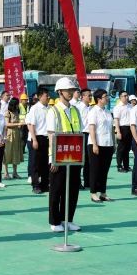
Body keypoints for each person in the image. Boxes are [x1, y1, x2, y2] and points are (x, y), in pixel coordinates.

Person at [46, 78, 84, 232]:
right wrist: (53, 159)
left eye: (72, 90)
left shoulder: (75, 110)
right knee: (57, 189)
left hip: (74, 155)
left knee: (73, 190)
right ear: (59, 92)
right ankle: (55, 222)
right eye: (67, 90)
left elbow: (80, 133)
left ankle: (67, 219)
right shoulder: (53, 111)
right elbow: (51, 136)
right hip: (59, 156)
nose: (70, 92)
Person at [85, 89, 115, 202]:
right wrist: (95, 144)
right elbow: (92, 128)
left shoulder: (107, 112)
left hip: (108, 144)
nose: (107, 98)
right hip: (96, 144)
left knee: (104, 170)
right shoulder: (93, 111)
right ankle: (93, 193)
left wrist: (114, 143)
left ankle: (103, 192)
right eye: (105, 96)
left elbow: (111, 129)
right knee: (95, 169)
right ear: (98, 99)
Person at [25, 89, 51, 193]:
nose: (48, 97)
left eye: (48, 95)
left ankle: (45, 184)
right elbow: (31, 125)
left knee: (46, 162)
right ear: (40, 97)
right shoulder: (35, 108)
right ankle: (35, 185)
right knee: (35, 163)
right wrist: (34, 139)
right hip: (37, 137)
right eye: (46, 95)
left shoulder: (50, 108)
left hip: (47, 138)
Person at [3, 97, 26, 180]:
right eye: (17, 104)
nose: (18, 105)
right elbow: (7, 124)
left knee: (16, 153)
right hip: (9, 135)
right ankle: (6, 173)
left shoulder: (16, 112)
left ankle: (15, 172)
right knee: (7, 153)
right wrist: (18, 124)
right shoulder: (8, 113)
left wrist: (20, 125)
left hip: (16, 134)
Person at [113, 91, 133, 173]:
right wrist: (118, 132)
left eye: (127, 95)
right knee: (121, 149)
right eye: (124, 96)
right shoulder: (117, 107)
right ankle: (119, 166)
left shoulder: (130, 106)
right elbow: (116, 120)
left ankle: (126, 166)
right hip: (122, 128)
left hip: (130, 128)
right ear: (120, 97)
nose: (126, 97)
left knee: (127, 148)